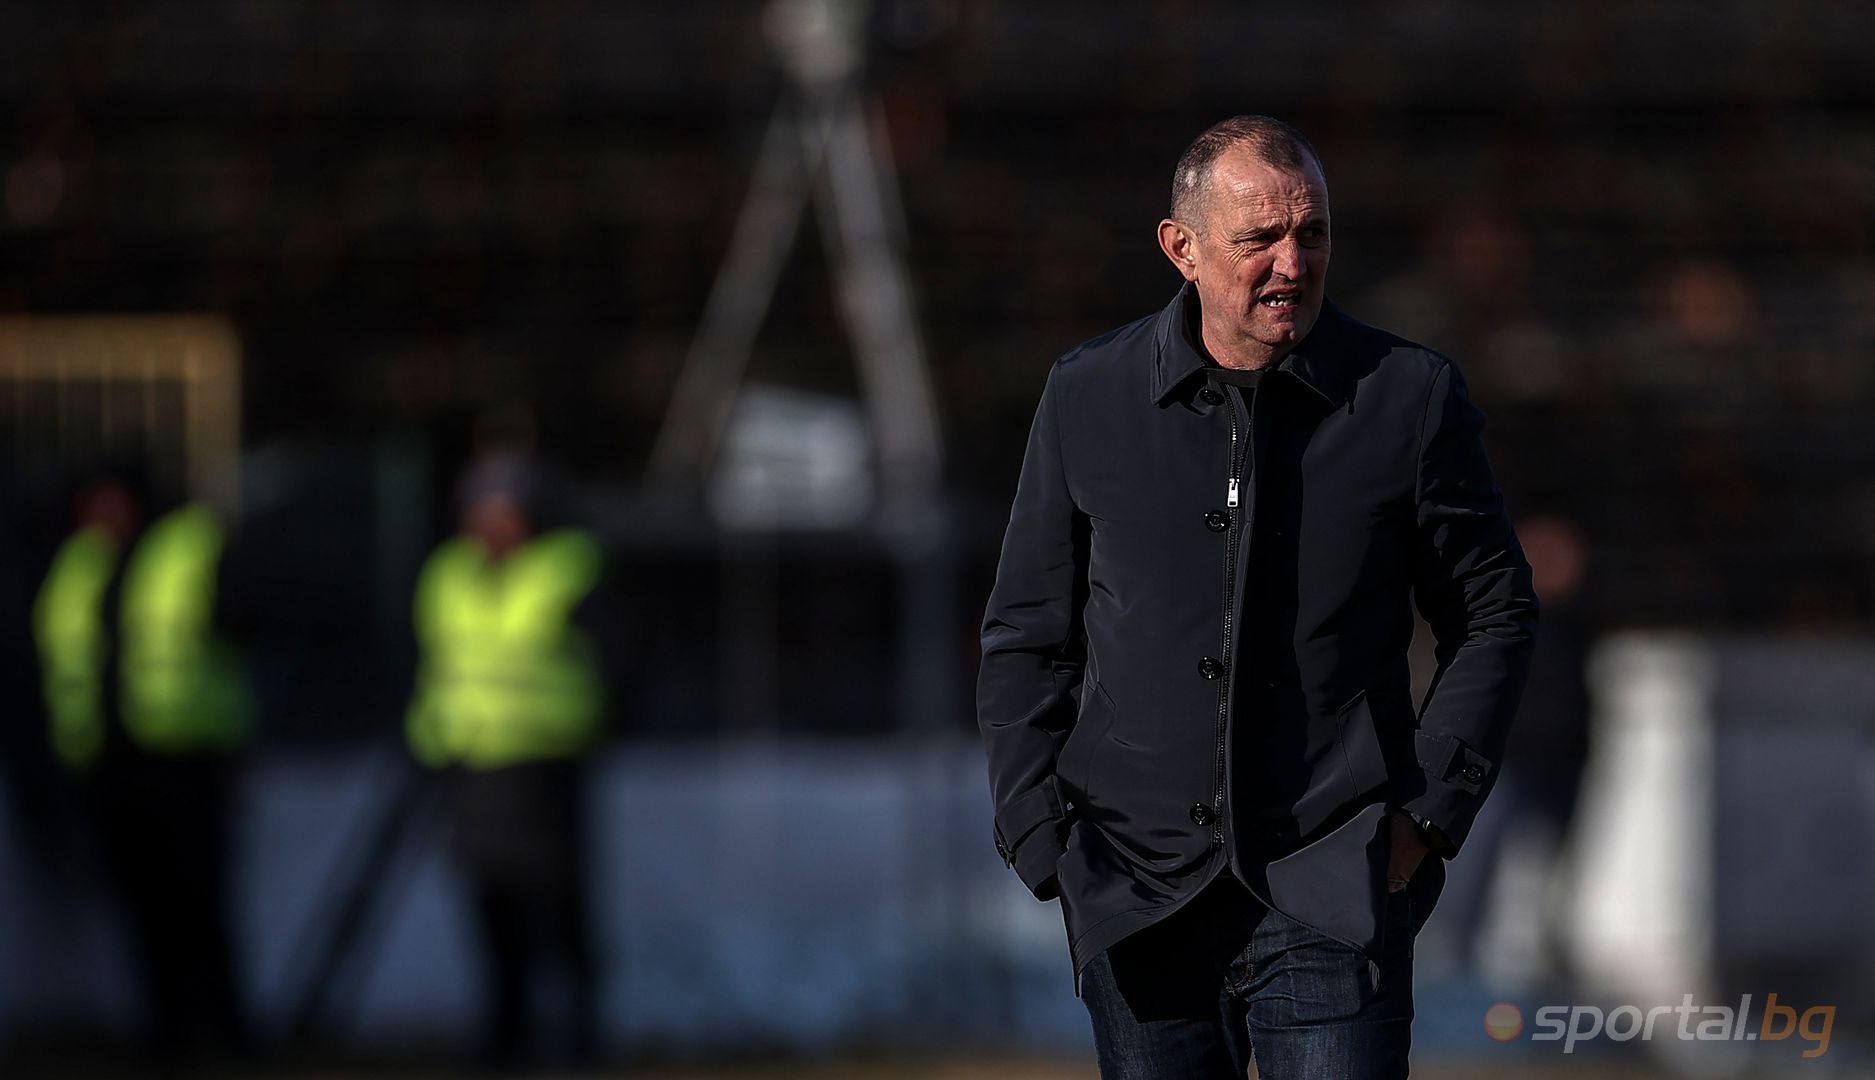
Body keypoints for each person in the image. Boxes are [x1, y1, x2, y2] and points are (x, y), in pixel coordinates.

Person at [976, 115, 1538, 1079]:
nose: (1291, 263)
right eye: (1259, 239)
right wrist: (1041, 837)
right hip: (1134, 893)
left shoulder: (1406, 397)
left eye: (1311, 233)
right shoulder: (1086, 395)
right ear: (1182, 248)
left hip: (1336, 886)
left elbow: (1493, 612)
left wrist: (1426, 814)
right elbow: (1027, 634)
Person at [32, 466, 250, 1062]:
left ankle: (223, 1030)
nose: (102, 515)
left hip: (187, 755)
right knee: (138, 901)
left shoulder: (187, 546)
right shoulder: (78, 563)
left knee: (198, 897)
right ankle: (165, 1029)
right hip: (108, 759)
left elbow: (245, 620)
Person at [405, 454, 605, 1067]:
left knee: (556, 907)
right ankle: (504, 1034)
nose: (493, 523)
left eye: (506, 510)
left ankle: (576, 1036)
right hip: (468, 763)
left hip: (544, 764)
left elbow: (618, 658)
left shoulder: (567, 569)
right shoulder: (447, 573)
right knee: (490, 909)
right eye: (482, 509)